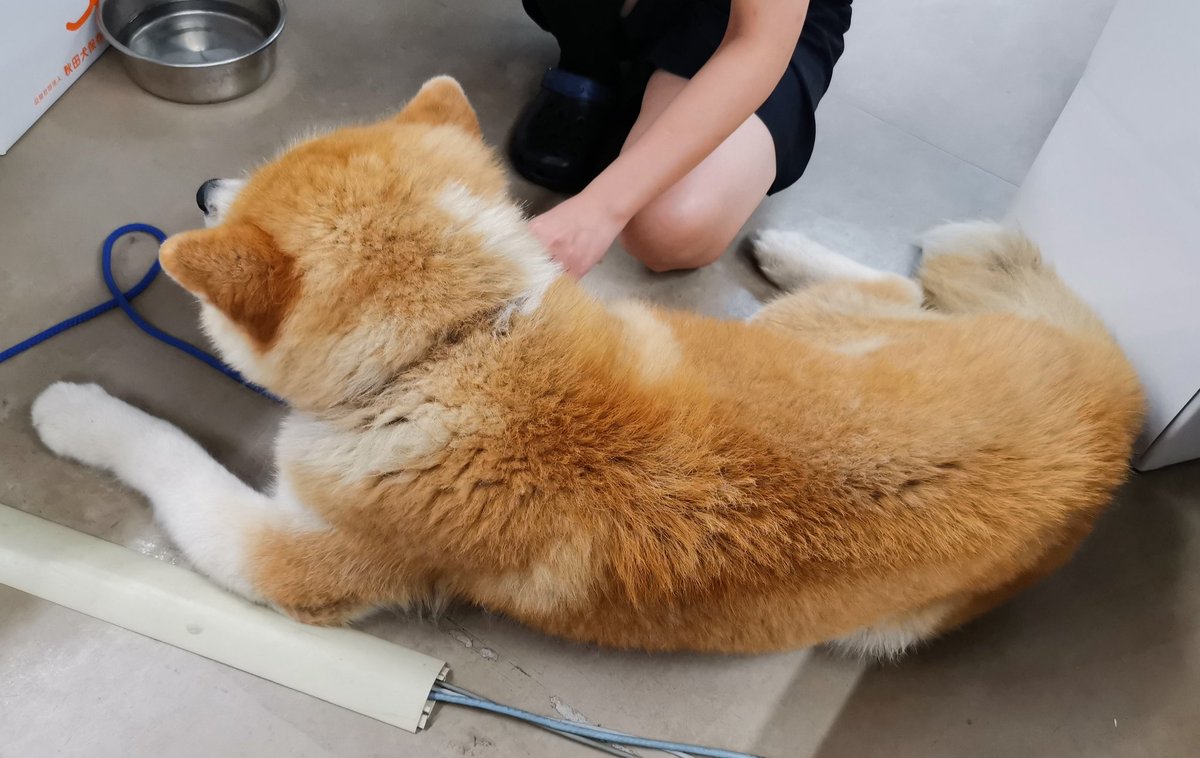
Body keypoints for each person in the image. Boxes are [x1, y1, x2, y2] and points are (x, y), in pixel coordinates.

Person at [510, 0, 852, 277]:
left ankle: (649, 99)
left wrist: (600, 208)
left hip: (765, 22)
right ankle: (590, 61)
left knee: (668, 226)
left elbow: (758, 43)